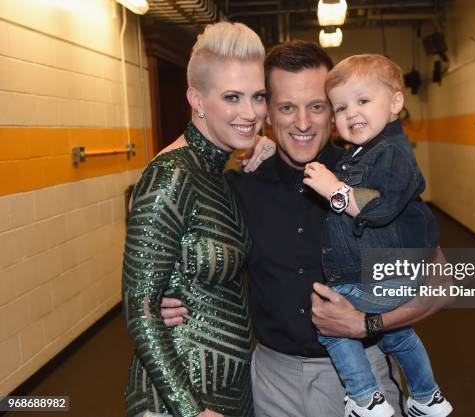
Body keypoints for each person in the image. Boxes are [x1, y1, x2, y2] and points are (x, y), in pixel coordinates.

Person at [162, 40, 450, 417]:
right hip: (271, 381)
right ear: (266, 112)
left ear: (333, 111)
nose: (302, 123)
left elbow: (443, 282)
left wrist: (368, 323)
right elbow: (149, 205)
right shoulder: (242, 187)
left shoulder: (373, 183)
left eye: (316, 107)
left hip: (365, 378)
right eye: (286, 108)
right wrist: (173, 296)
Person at [122, 22, 271, 417]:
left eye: (258, 97)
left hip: (229, 393)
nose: (250, 112)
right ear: (197, 99)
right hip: (176, 400)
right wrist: (190, 410)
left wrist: (263, 146)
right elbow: (140, 308)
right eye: (232, 97)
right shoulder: (171, 174)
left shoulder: (217, 172)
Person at [302, 54, 452, 417]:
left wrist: (333, 189)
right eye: (341, 107)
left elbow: (379, 209)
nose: (351, 112)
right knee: (396, 335)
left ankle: (365, 396)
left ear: (396, 102)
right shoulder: (365, 152)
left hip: (384, 274)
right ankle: (426, 396)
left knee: (332, 326)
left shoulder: (390, 154)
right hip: (388, 272)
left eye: (363, 100)